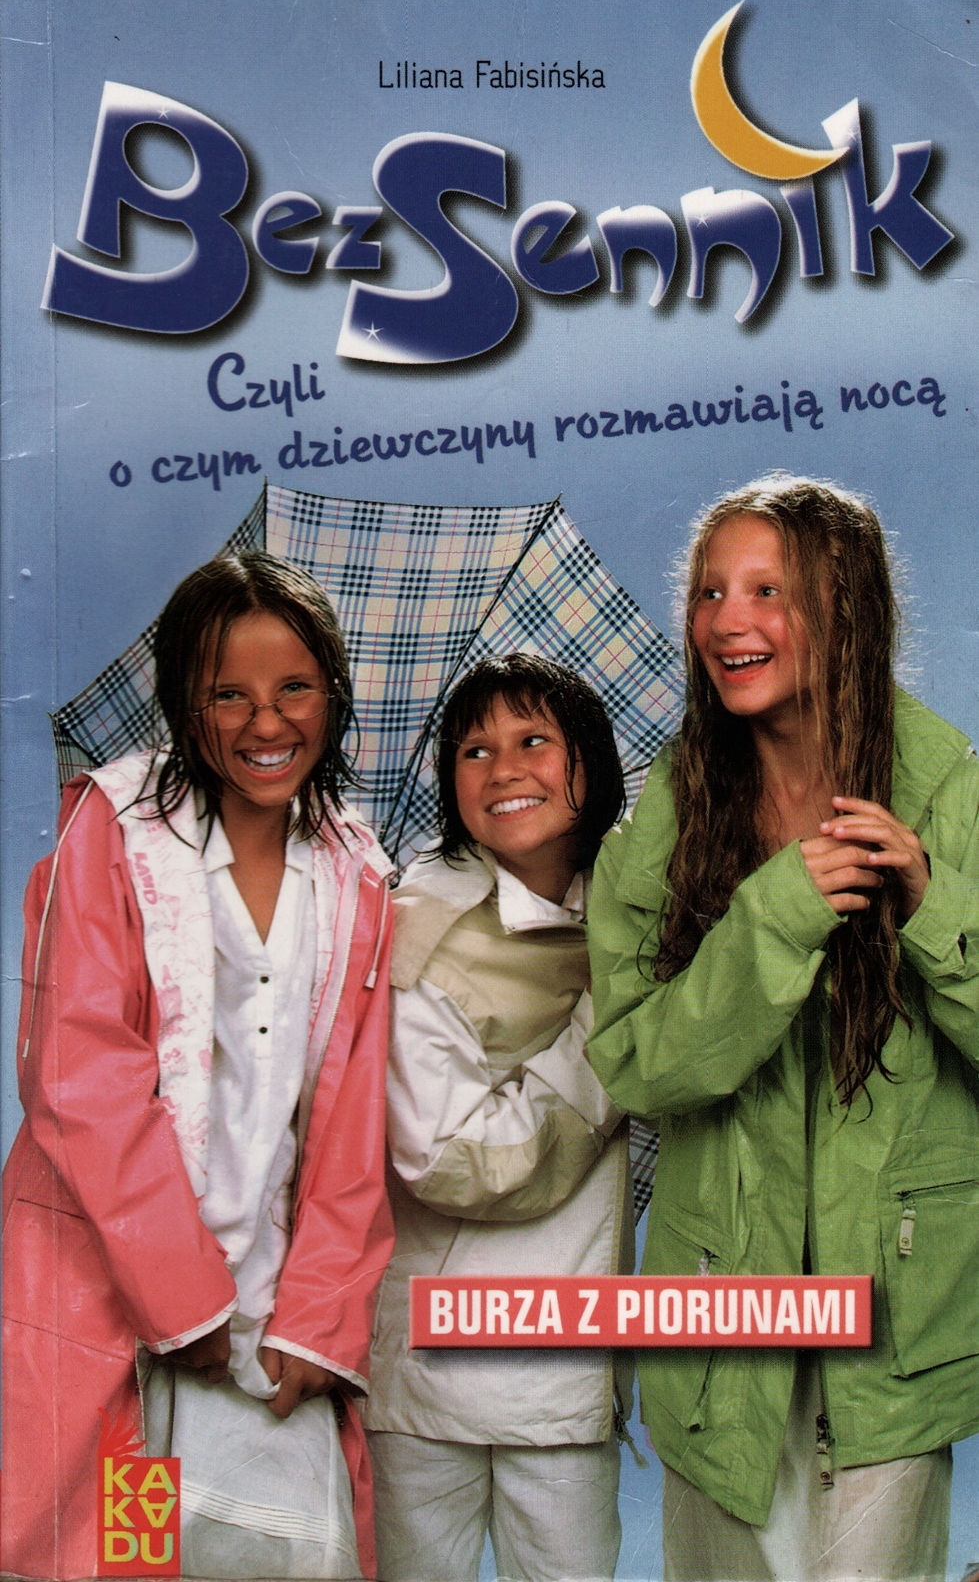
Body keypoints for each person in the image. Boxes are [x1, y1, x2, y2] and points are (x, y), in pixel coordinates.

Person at [586, 474, 979, 1582]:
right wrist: (775, 915)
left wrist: (931, 903)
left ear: (845, 608)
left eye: (768, 589)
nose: (727, 620)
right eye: (709, 591)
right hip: (721, 1327)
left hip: (897, 1328)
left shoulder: (951, 790)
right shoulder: (670, 811)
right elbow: (638, 1064)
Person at [1, 551, 394, 1581]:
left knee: (294, 1558)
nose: (267, 723)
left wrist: (317, 1318)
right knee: (134, 1557)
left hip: (272, 1321)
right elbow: (78, 1074)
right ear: (187, 700)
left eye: (294, 688)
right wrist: (180, 1302)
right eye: (230, 694)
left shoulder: (355, 870)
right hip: (128, 1312)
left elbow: (355, 1124)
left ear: (333, 694)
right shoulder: (116, 829)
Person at [365, 653, 633, 1582]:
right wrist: (612, 1030)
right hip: (430, 1365)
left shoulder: (633, 912)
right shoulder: (425, 926)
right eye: (473, 750)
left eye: (533, 741)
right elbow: (452, 1160)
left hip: (567, 1365)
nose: (503, 769)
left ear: (590, 761)